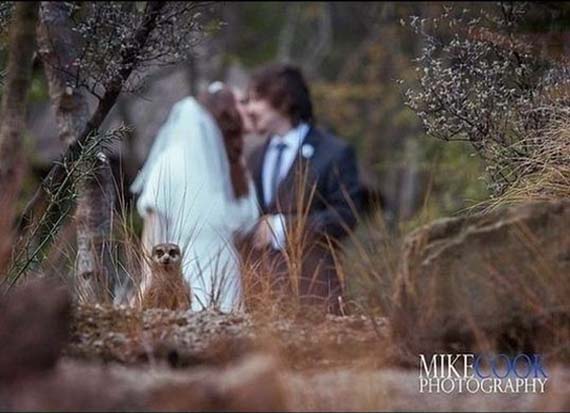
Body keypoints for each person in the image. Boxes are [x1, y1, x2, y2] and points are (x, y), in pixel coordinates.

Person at [240, 63, 363, 314]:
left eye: (256, 99)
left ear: (284, 100)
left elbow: (346, 216)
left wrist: (283, 228)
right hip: (259, 300)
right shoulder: (254, 157)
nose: (249, 109)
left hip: (316, 294)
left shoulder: (334, 152)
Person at [130, 82, 260, 312]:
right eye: (242, 102)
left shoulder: (236, 169)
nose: (249, 109)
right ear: (225, 111)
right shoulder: (171, 161)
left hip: (230, 274)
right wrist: (150, 280)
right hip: (186, 272)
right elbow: (154, 226)